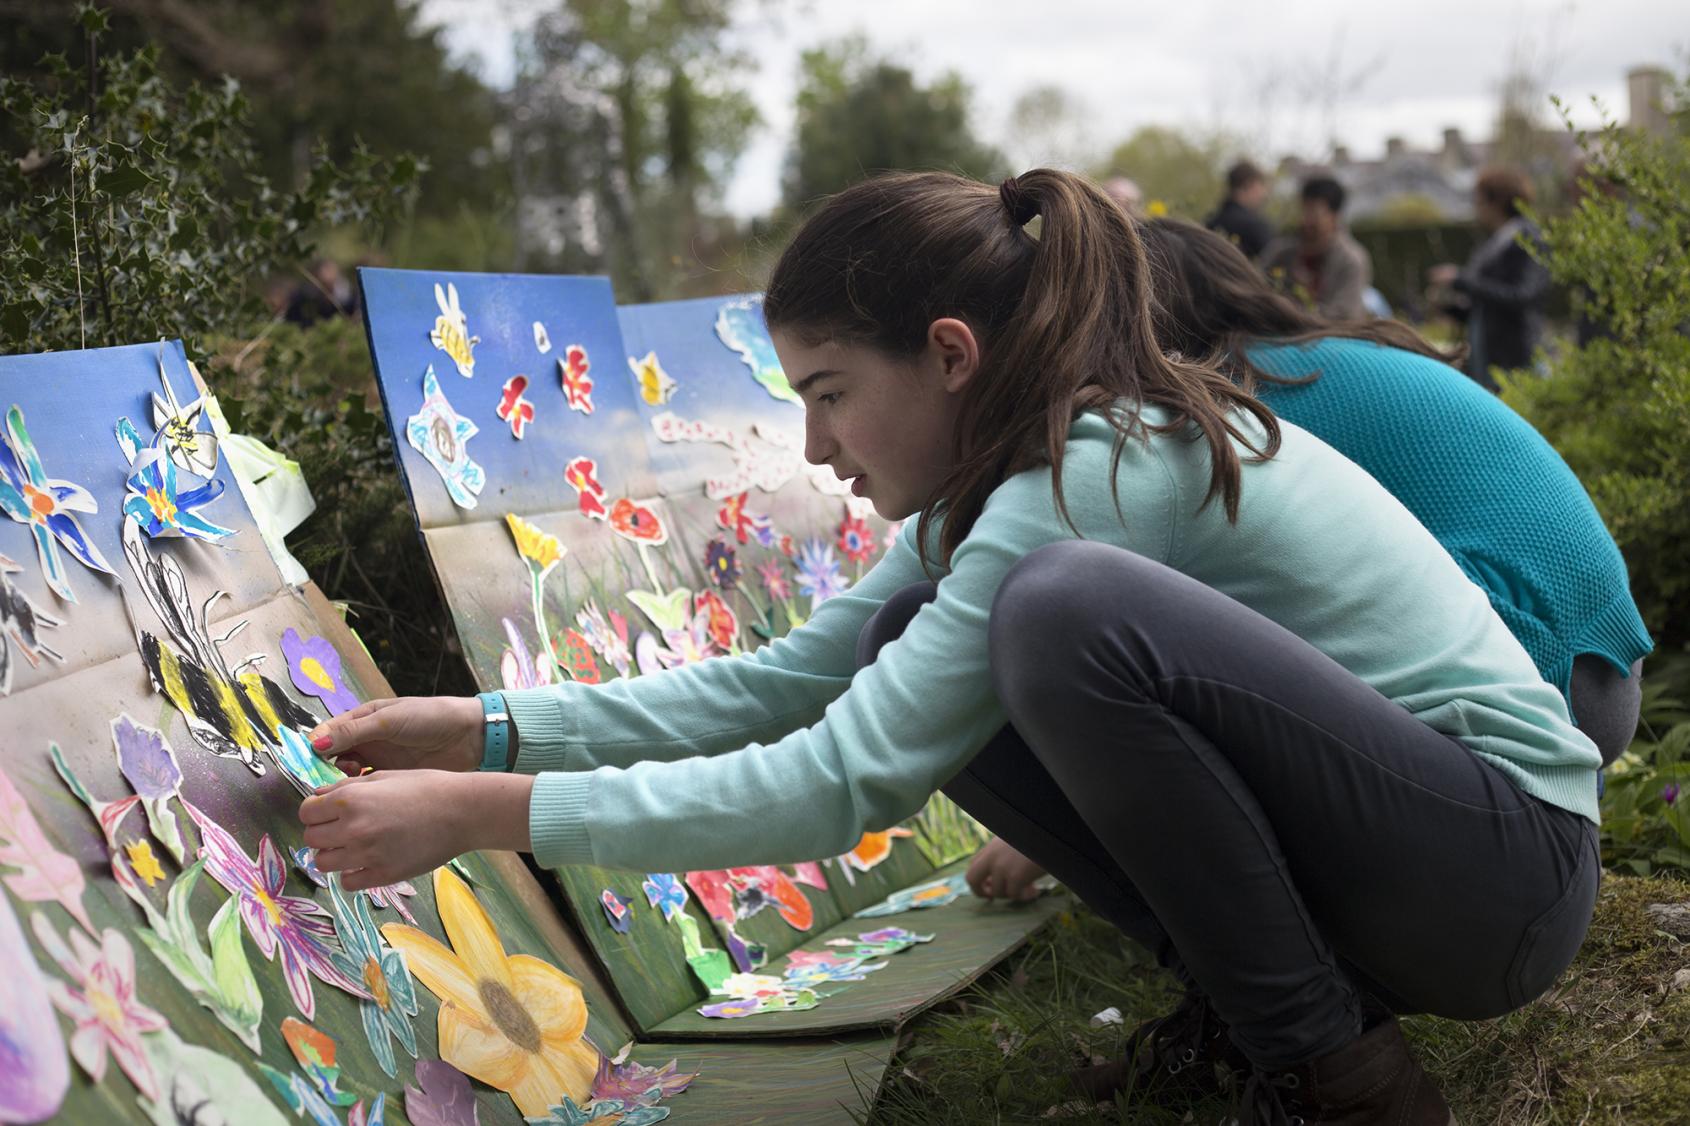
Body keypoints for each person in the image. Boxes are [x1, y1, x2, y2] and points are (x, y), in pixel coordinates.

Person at [302, 170, 1604, 1126]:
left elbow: (838, 780)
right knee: (900, 632)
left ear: (947, 355)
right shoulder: (1012, 475)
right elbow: (786, 683)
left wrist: (481, 813)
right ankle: (1286, 1040)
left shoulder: (1087, 470)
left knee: (1062, 614)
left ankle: (1340, 1085)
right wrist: (481, 730)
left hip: (1500, 875)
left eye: (827, 394)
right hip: (1427, 878)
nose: (816, 447)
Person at [972, 220, 1650, 1077]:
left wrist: (1052, 820)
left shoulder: (1225, 398)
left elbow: (1154, 652)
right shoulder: (1310, 360)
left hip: (1532, 671)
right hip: (1595, 664)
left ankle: (1278, 1017)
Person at [1427, 165, 1551, 391]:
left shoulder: (1528, 239)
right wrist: (1450, 308)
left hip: (1514, 360)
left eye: (1480, 200)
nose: (1476, 208)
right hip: (1487, 359)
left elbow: (1521, 296)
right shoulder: (1495, 242)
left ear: (1498, 202)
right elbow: (1485, 308)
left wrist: (1460, 280)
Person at [1260, 175, 1372, 320]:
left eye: (1313, 212)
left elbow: (1345, 315)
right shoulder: (1280, 253)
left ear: (1334, 216)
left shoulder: (1351, 260)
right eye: (1303, 210)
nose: (1305, 219)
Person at [1205, 159, 1274, 259]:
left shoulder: (1211, 221)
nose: (1264, 194)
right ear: (1248, 184)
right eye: (1260, 186)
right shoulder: (1255, 226)